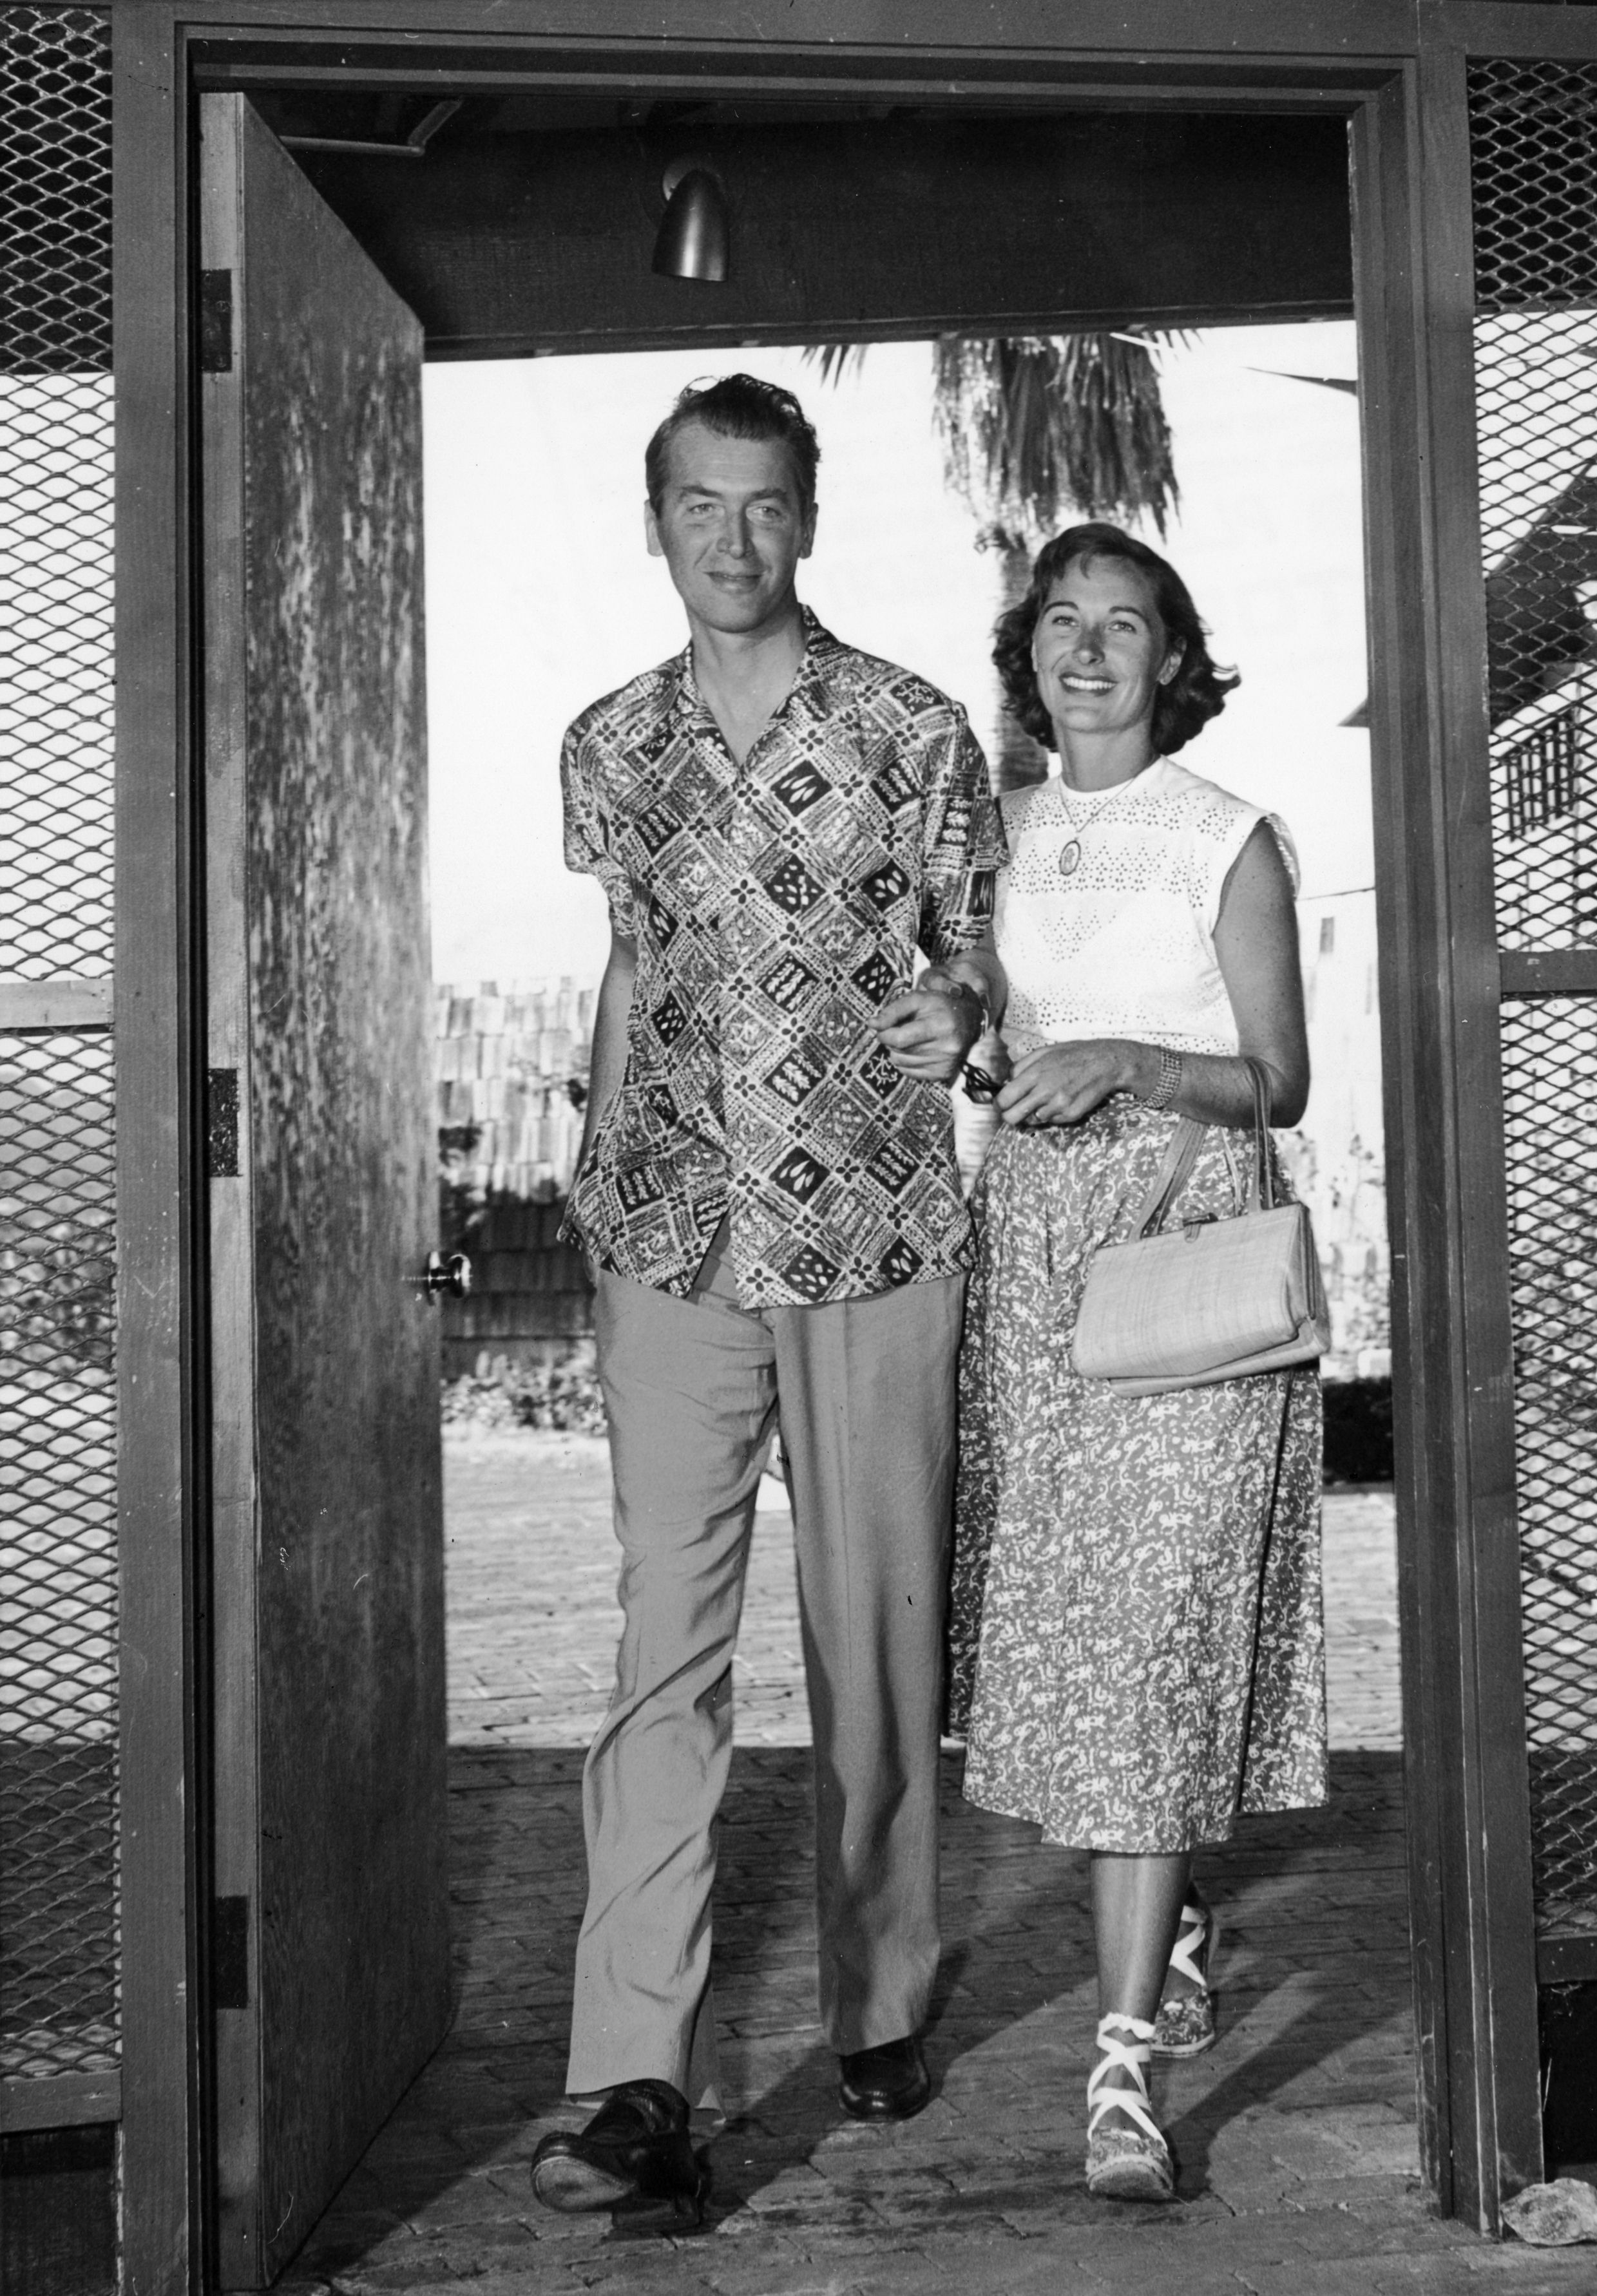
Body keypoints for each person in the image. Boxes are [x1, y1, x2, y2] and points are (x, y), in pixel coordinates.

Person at [528, 376, 1007, 2223]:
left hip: (878, 1228)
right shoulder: (609, 745)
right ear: (656, 520)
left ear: (809, 518)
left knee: (872, 1640)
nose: (733, 540)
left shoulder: (910, 727)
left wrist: (968, 1017)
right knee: (667, 1649)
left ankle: (879, 1991)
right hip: (669, 1235)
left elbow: (977, 958)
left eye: (766, 507)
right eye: (700, 506)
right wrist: (597, 1186)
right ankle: (633, 2073)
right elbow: (630, 972)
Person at [946, 523, 1327, 2204]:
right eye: (1064, 622)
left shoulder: (1228, 835)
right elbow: (974, 1032)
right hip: (1030, 1258)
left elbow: (1280, 1081)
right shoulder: (993, 837)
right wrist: (982, 1052)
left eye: (1129, 624)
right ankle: (1163, 1935)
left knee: (1157, 1632)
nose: (1090, 648)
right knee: (1082, 1632)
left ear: (1175, 659)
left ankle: (1119, 2071)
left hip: (1185, 1255)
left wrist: (1122, 1060)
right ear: (1025, 650)